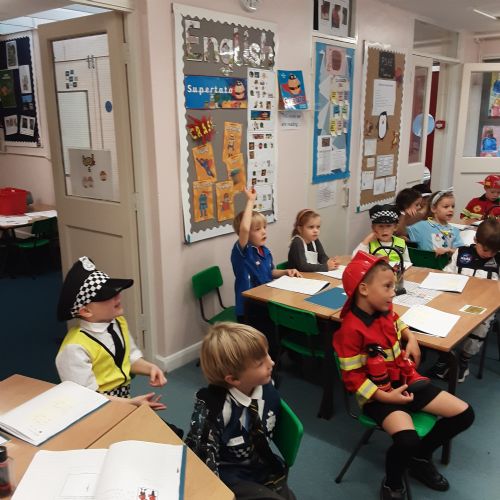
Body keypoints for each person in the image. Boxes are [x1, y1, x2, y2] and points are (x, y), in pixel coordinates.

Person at [333, 252, 474, 500]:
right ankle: (392, 483)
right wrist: (386, 398)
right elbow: (353, 379)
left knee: (464, 414)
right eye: (387, 286)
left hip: (406, 381)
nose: (393, 293)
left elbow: (397, 322)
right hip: (378, 396)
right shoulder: (349, 331)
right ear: (363, 289)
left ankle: (419, 458)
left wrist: (412, 338)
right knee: (407, 440)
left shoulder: (384, 309)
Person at [185, 322, 296, 500]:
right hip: (229, 474)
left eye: (267, 354)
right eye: (260, 363)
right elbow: (201, 456)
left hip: (261, 465)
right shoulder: (215, 408)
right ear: (234, 379)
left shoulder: (267, 386)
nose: (272, 363)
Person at [56, 256, 167, 410]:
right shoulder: (74, 348)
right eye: (107, 295)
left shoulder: (118, 322)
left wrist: (150, 368)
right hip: (95, 410)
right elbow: (85, 398)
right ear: (85, 311)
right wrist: (132, 404)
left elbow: (129, 358)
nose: (118, 295)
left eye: (114, 290)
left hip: (123, 402)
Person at [431, 218, 500, 382]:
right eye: (485, 249)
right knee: (439, 316)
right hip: (456, 300)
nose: (489, 254)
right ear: (475, 240)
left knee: (481, 326)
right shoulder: (461, 253)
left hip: (483, 307)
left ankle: (464, 360)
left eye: (494, 251)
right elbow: (447, 273)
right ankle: (445, 356)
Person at [231, 187, 300, 323]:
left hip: (265, 302)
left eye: (264, 227)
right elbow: (244, 229)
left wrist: (286, 272)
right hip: (248, 308)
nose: (263, 232)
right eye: (257, 229)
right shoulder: (243, 251)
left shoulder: (265, 251)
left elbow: (270, 272)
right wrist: (251, 201)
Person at [407, 190, 463, 255]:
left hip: (447, 261)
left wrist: (449, 250)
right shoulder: (421, 226)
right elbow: (400, 233)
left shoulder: (454, 230)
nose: (451, 210)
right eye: (446, 207)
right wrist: (405, 216)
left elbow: (462, 252)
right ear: (433, 208)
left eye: (453, 206)